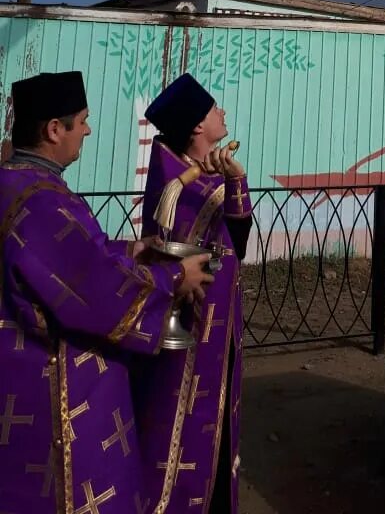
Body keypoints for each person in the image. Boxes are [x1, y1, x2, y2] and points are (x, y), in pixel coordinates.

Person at [0, 70, 214, 514]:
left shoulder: (12, 182)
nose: (88, 131)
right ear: (54, 129)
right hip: (53, 390)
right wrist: (175, 278)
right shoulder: (42, 202)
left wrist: (132, 250)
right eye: (82, 121)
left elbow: (68, 258)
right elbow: (92, 286)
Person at [136, 73, 253, 514]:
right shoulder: (177, 184)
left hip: (221, 327)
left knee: (218, 429)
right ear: (198, 127)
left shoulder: (203, 177)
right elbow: (195, 247)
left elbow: (238, 242)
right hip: (192, 328)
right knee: (179, 428)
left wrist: (237, 178)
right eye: (214, 107)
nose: (223, 112)